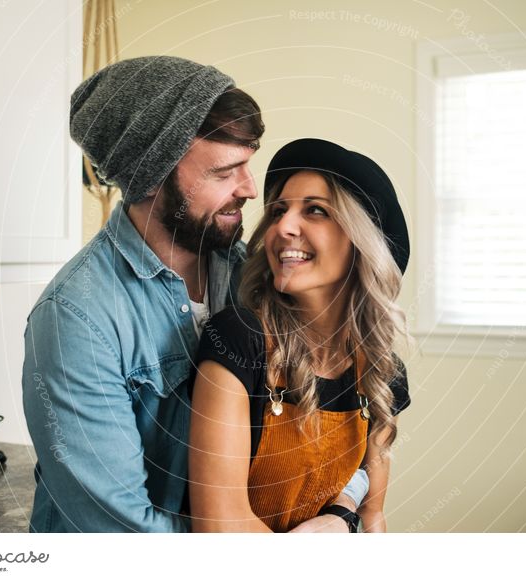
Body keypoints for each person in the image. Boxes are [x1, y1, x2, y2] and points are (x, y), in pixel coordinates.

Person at [22, 58, 367, 532]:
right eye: (225, 172)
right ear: (151, 177)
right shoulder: (76, 320)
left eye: (248, 164)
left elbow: (335, 419)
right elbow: (118, 529)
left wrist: (342, 510)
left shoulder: (255, 274)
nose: (249, 189)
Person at [188, 138, 411, 533]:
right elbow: (220, 528)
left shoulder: (381, 373)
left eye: (316, 211)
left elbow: (372, 517)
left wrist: (342, 519)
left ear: (361, 242)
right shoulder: (239, 341)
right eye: (278, 211)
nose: (283, 227)